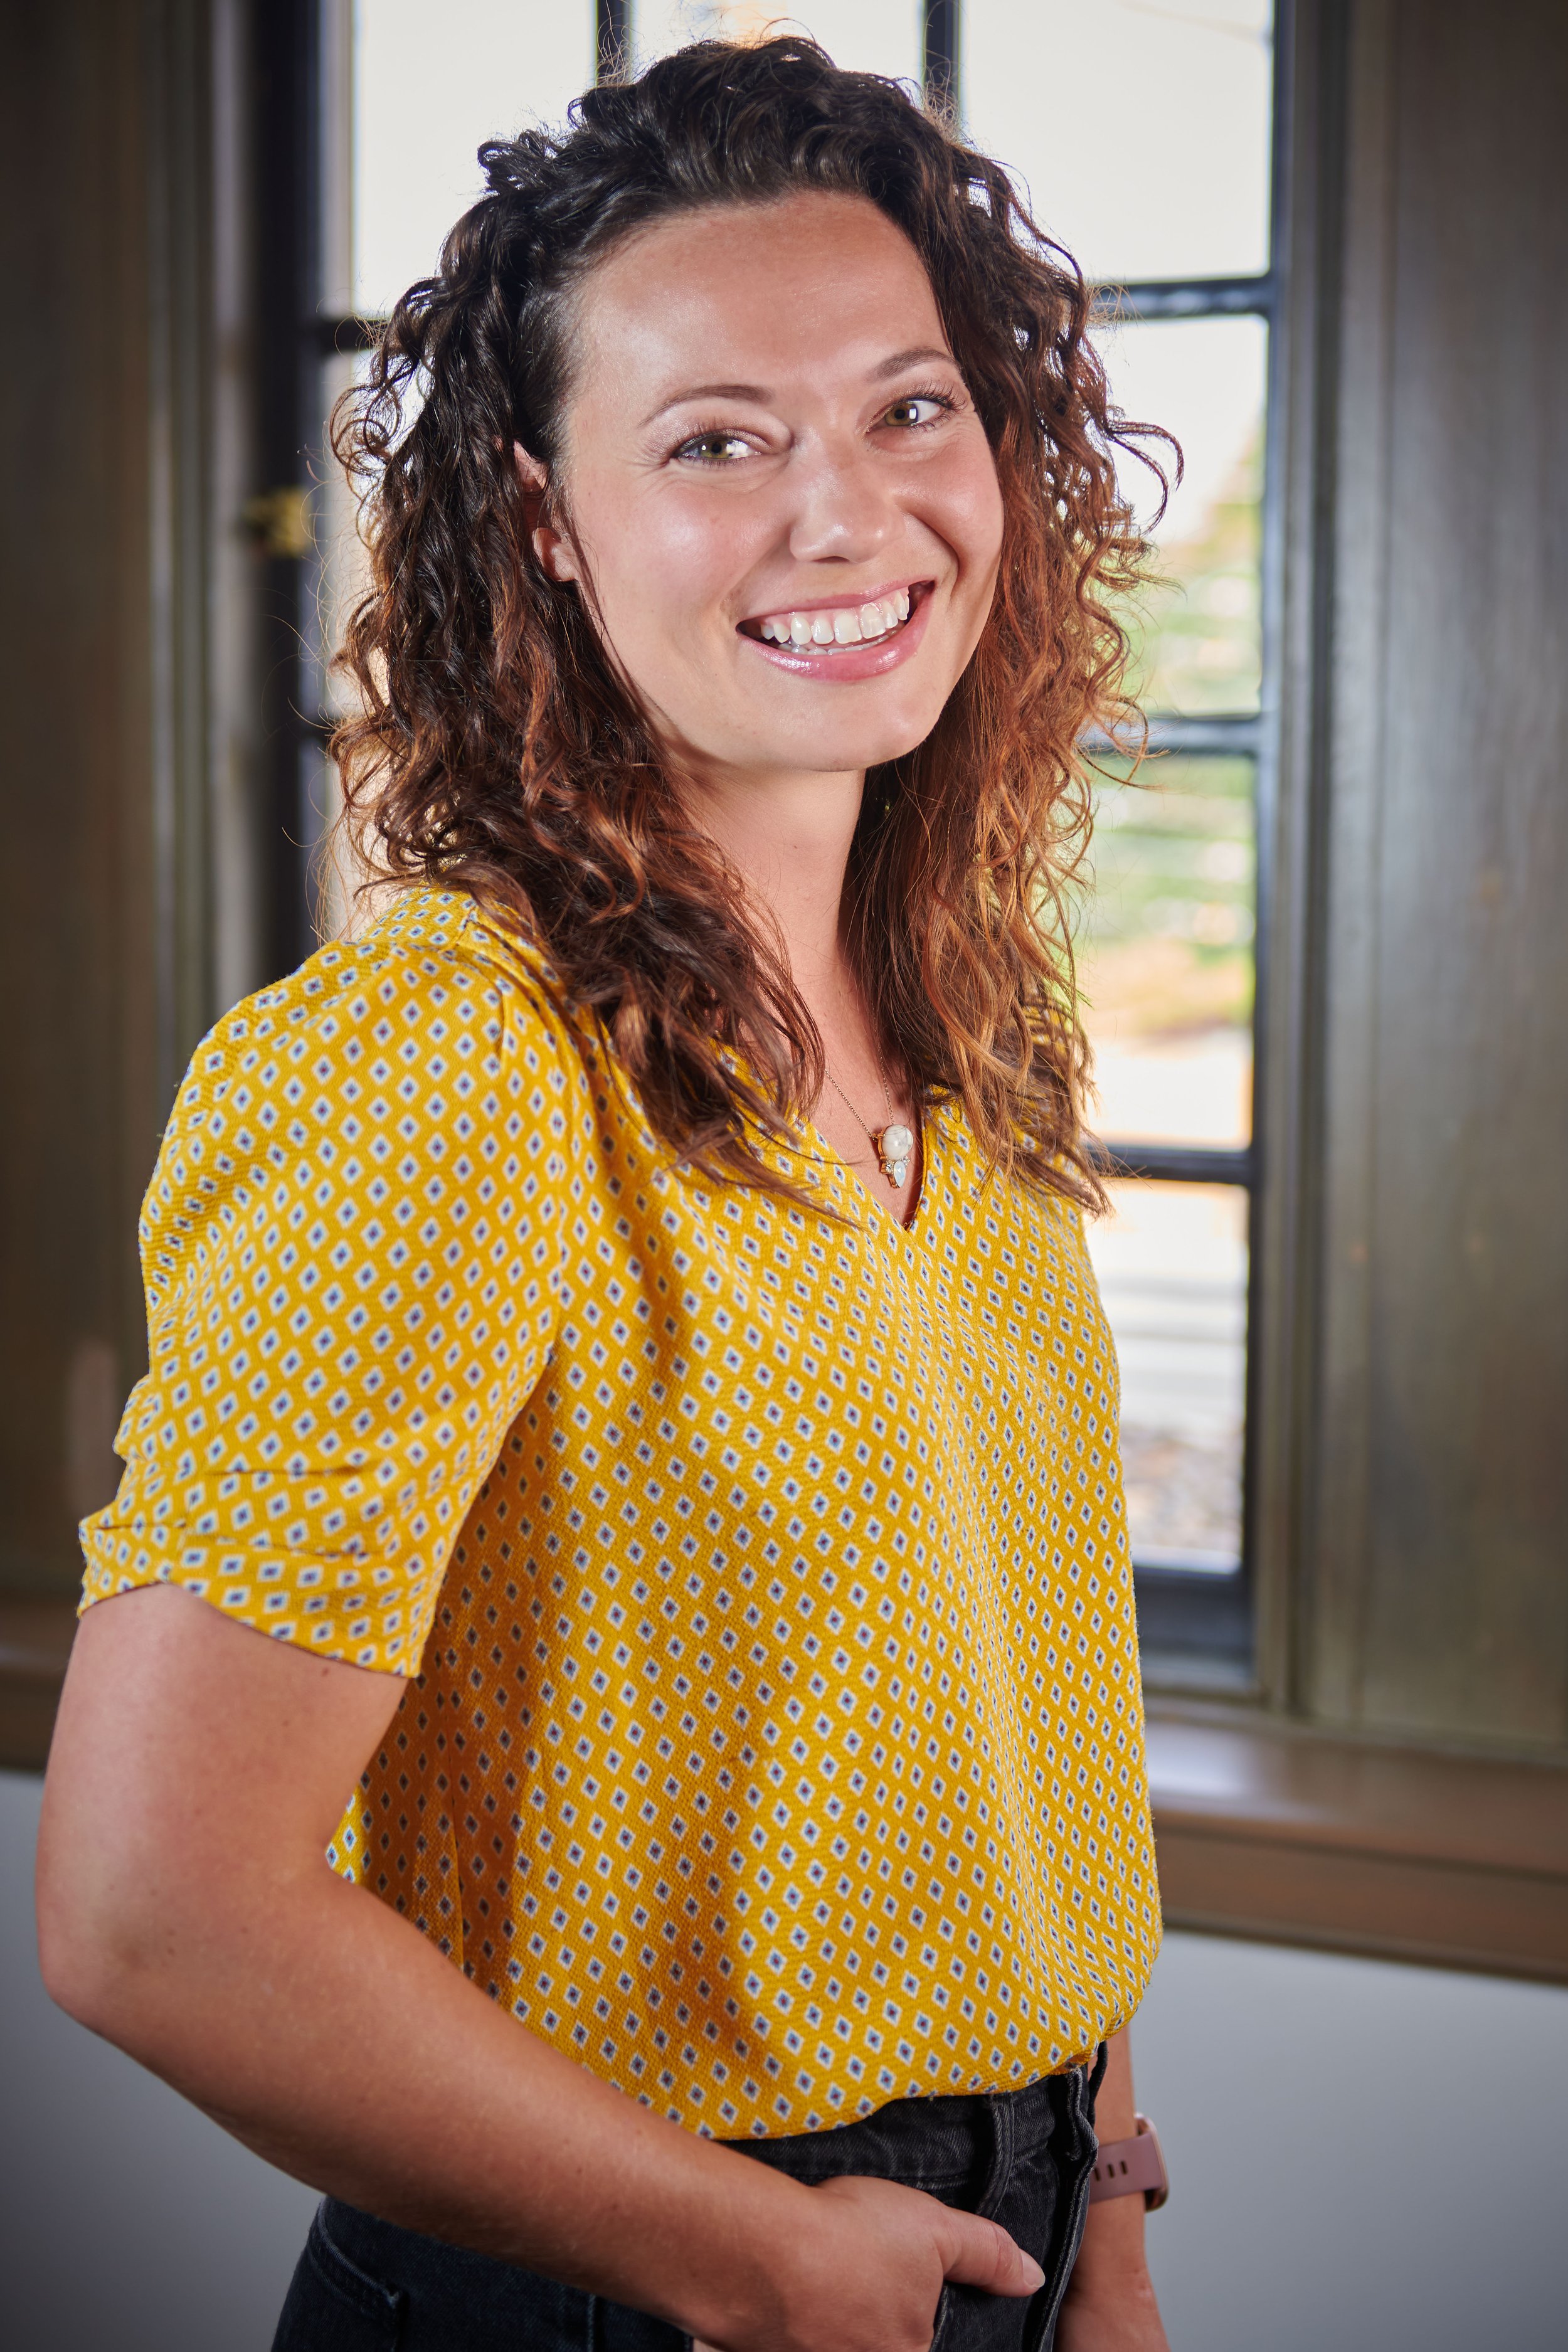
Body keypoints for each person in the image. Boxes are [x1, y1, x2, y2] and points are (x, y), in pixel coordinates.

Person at [38, 37, 1173, 2352]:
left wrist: (1107, 2226)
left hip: (1011, 2240)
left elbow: (1026, 1691)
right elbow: (151, 1906)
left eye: (907, 407)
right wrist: (748, 2260)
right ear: (545, 523)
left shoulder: (964, 1008)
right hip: (632, 2291)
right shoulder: (443, 1065)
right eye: (717, 440)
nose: (845, 513)